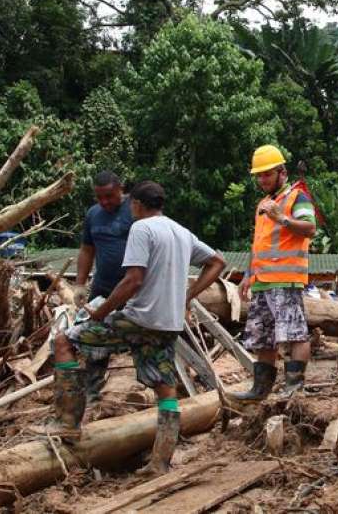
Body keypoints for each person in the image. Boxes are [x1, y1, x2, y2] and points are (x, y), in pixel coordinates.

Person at [35, 181, 225, 475]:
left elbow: (133, 279)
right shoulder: (181, 232)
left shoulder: (142, 228)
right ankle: (160, 462)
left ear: (136, 203)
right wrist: (187, 296)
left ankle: (67, 423)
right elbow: (217, 262)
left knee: (64, 342)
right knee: (165, 387)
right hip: (168, 323)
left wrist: (101, 311)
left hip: (137, 319)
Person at [232, 145, 316, 401]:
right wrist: (248, 273)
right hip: (261, 281)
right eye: (259, 176)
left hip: (286, 280)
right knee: (262, 338)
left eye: (267, 174)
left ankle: (293, 388)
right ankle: (260, 390)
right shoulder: (264, 204)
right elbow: (259, 243)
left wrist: (283, 219)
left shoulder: (297, 197)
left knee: (295, 334)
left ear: (282, 172)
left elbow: (310, 228)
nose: (262, 180)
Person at [74, 171, 134, 404]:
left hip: (133, 289)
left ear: (121, 188)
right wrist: (80, 283)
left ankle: (158, 386)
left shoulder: (136, 209)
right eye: (100, 197)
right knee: (93, 339)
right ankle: (92, 393)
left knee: (145, 338)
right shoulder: (93, 214)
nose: (105, 202)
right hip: (102, 288)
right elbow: (87, 249)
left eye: (109, 196)